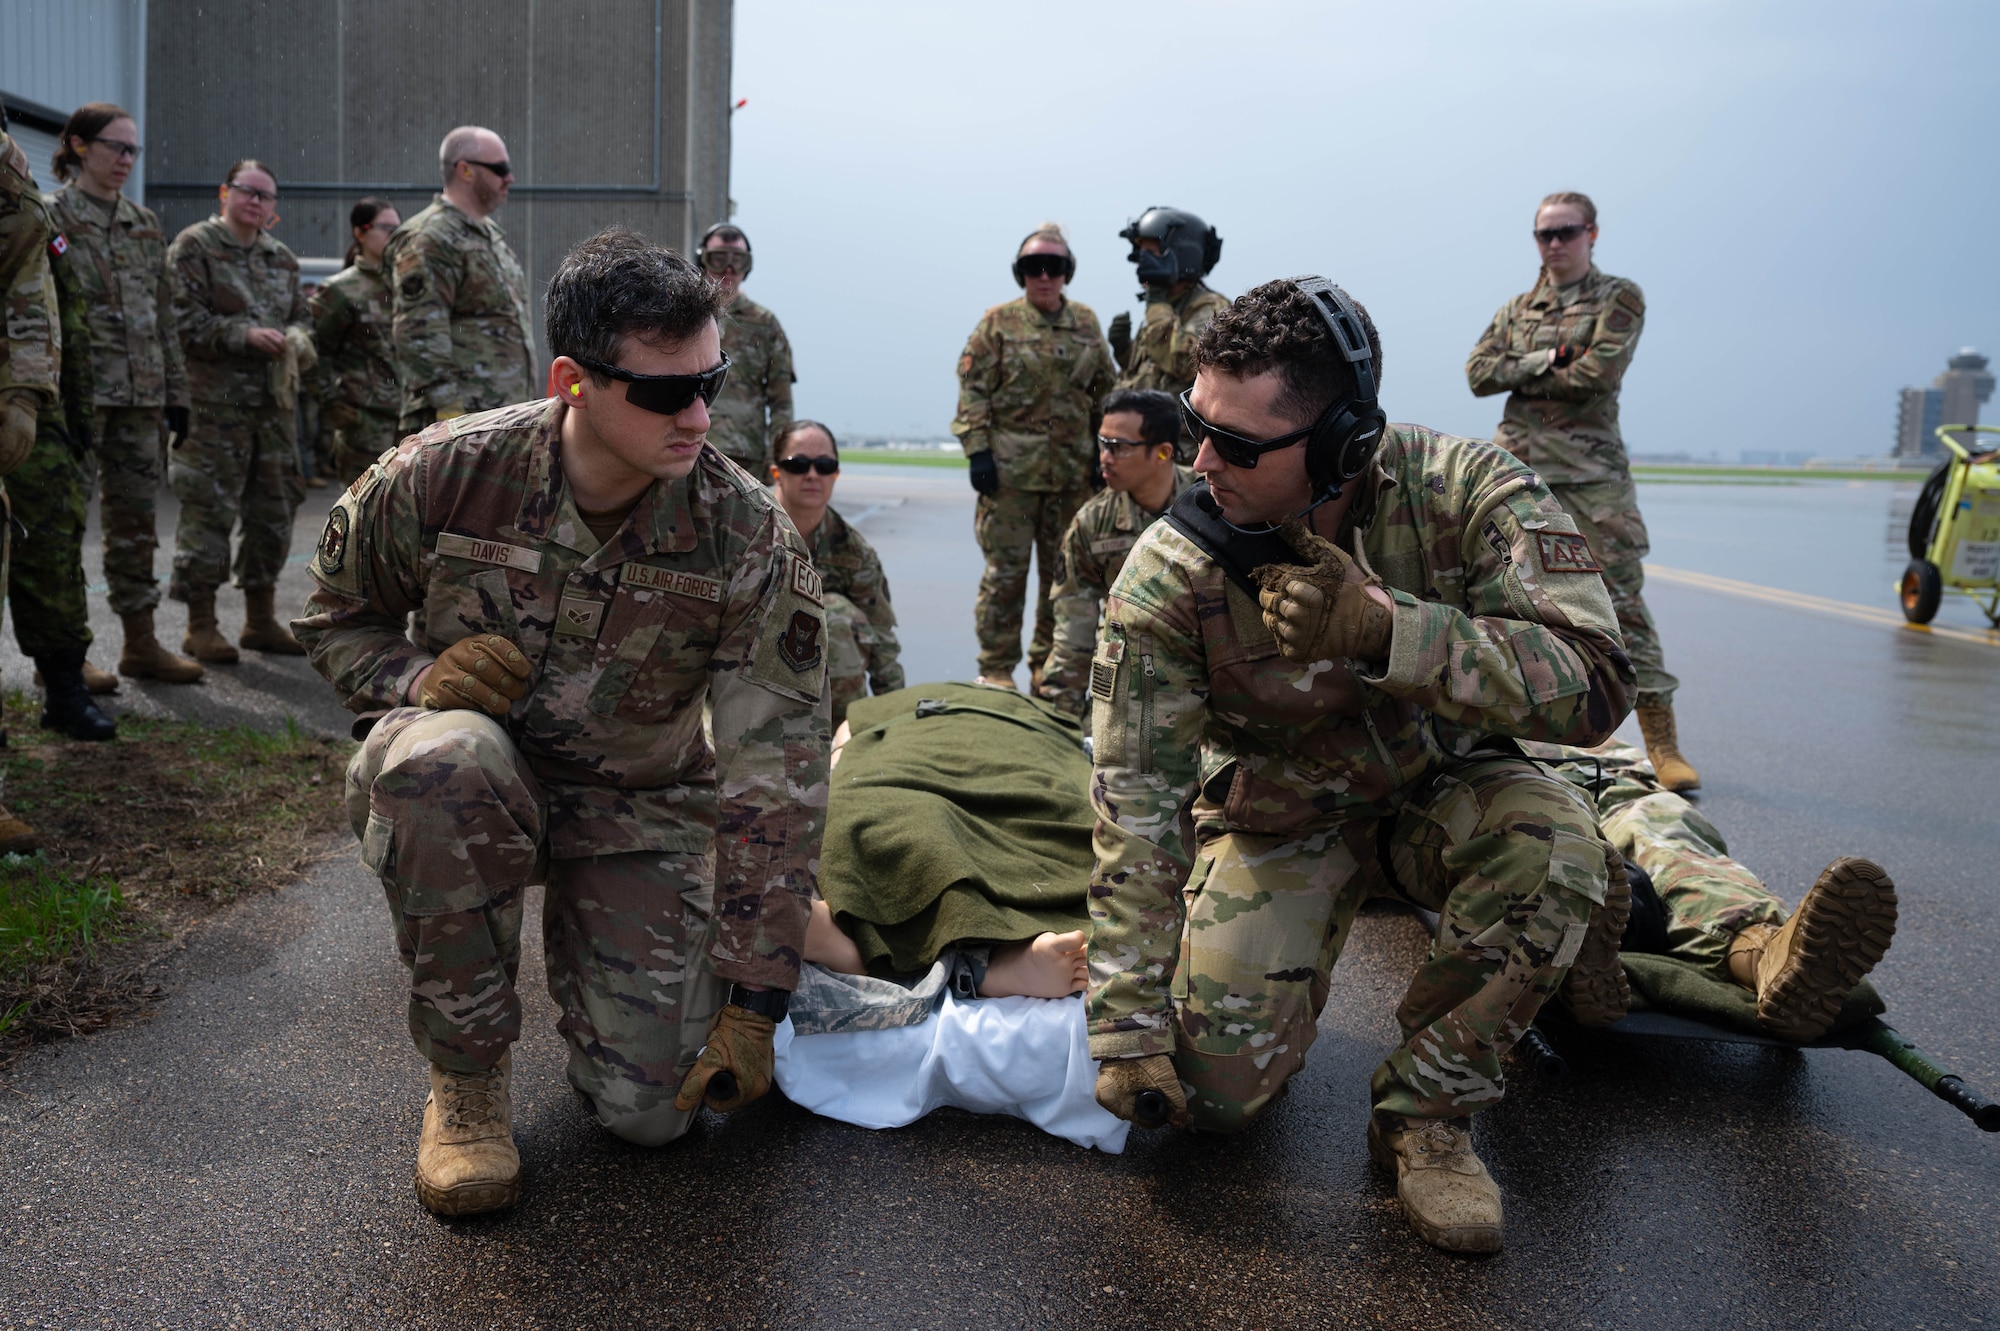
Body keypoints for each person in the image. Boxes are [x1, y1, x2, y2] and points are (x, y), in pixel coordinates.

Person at [1085, 276, 1634, 1254]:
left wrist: (1392, 632)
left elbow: (1593, 685)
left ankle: (1425, 1114)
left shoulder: (1466, 492)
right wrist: (1125, 1024)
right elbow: (1136, 801)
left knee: (1552, 847)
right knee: (1208, 1095)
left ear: (1341, 439)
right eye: (1193, 426)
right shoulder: (1172, 571)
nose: (1201, 462)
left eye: (1240, 445)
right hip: (1284, 811)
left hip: (1438, 790)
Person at [294, 227, 830, 1216]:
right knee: (440, 762)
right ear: (573, 380)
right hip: (481, 779)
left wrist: (758, 993)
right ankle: (465, 1083)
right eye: (666, 392)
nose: (700, 415)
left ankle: (664, 999)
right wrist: (419, 677)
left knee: (652, 1114)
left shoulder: (744, 530)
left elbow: (778, 770)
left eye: (710, 380)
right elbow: (334, 617)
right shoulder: (448, 472)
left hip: (640, 803)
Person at [1466, 191, 1695, 792]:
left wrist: (1523, 365)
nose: (1555, 244)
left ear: (1592, 234)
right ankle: (1506, 736)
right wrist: (1550, 354)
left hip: (1593, 478)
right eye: (1545, 234)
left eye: (1567, 232)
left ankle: (1662, 743)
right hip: (1518, 473)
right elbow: (1477, 373)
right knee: (1502, 598)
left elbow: (1600, 373)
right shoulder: (1518, 308)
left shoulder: (1619, 297)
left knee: (1621, 602)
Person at [47, 103, 203, 688]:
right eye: (116, 147)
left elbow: (163, 319)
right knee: (65, 527)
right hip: (76, 399)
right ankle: (65, 655)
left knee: (136, 526)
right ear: (80, 146)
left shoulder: (143, 224)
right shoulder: (49, 217)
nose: (126, 160)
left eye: (133, 150)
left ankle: (140, 643)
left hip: (141, 401)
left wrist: (177, 393)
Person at [950, 223, 1117, 689]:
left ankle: (1047, 668)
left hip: (1071, 477)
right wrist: (977, 451)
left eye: (1054, 266)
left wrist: (1103, 454)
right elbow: (973, 390)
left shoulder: (1086, 323)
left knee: (1061, 579)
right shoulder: (998, 323)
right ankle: (998, 668)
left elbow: (1106, 393)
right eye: (1032, 267)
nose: (1043, 275)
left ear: (1067, 273)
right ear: (1020, 273)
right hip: (1010, 477)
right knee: (1005, 577)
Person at [0, 115, 119, 755]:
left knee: (51, 553)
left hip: (37, 410)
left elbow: (62, 313)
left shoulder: (31, 217)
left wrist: (73, 415)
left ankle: (64, 690)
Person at [165, 159, 314, 662]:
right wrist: (242, 335)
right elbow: (180, 322)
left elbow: (302, 319)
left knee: (272, 512)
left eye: (266, 196)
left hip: (271, 409)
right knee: (207, 513)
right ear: (224, 192)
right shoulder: (194, 247)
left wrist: (295, 337)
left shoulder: (282, 259)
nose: (256, 201)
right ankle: (200, 625)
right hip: (214, 409)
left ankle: (258, 619)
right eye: (247, 191)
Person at [1036, 388, 1197, 715]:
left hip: (1201, 673)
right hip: (1126, 677)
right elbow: (1073, 629)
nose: (1105, 458)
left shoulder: (1207, 503)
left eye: (1119, 447)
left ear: (1164, 453)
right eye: (1102, 444)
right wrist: (1060, 717)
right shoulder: (1092, 523)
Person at [384, 126, 534, 434]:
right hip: (461, 423)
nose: (510, 178)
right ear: (465, 170)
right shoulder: (431, 238)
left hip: (500, 417)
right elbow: (420, 334)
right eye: (500, 169)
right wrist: (449, 417)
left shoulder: (489, 235)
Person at [766, 419, 902, 724]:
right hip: (739, 668)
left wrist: (894, 721)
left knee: (837, 615)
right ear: (777, 472)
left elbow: (882, 640)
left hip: (811, 670)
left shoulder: (854, 553)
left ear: (836, 474)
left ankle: (839, 734)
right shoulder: (740, 525)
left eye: (824, 466)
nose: (813, 475)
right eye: (799, 464)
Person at [310, 198, 402, 486]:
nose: (393, 237)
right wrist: (334, 406)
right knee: (364, 516)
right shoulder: (340, 290)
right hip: (365, 425)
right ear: (360, 233)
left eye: (398, 230)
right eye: (385, 228)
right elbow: (316, 353)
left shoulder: (410, 285)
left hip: (412, 422)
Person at [698, 224, 794, 475]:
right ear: (703, 260)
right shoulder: (683, 318)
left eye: (738, 260)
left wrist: (781, 457)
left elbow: (781, 402)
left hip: (746, 457)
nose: (729, 269)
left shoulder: (765, 325)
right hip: (689, 448)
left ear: (747, 266)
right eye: (719, 258)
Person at [1108, 206, 1229, 398]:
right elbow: (1153, 371)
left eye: (1150, 253)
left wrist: (1156, 303)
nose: (1141, 262)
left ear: (1181, 255)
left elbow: (1185, 363)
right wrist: (1125, 352)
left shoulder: (1210, 308)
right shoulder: (1168, 305)